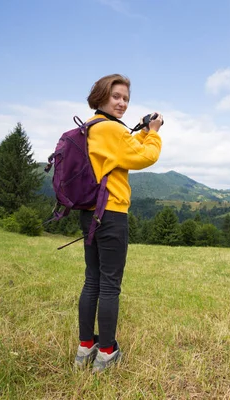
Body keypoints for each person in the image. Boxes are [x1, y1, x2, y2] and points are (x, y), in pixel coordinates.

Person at [74, 74, 163, 372]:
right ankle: (107, 352)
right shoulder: (111, 128)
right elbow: (144, 157)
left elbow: (122, 150)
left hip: (89, 213)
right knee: (110, 285)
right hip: (111, 213)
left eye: (125, 97)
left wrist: (139, 130)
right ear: (101, 96)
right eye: (116, 96)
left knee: (92, 280)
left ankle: (85, 347)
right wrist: (154, 132)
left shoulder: (93, 127)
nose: (122, 102)